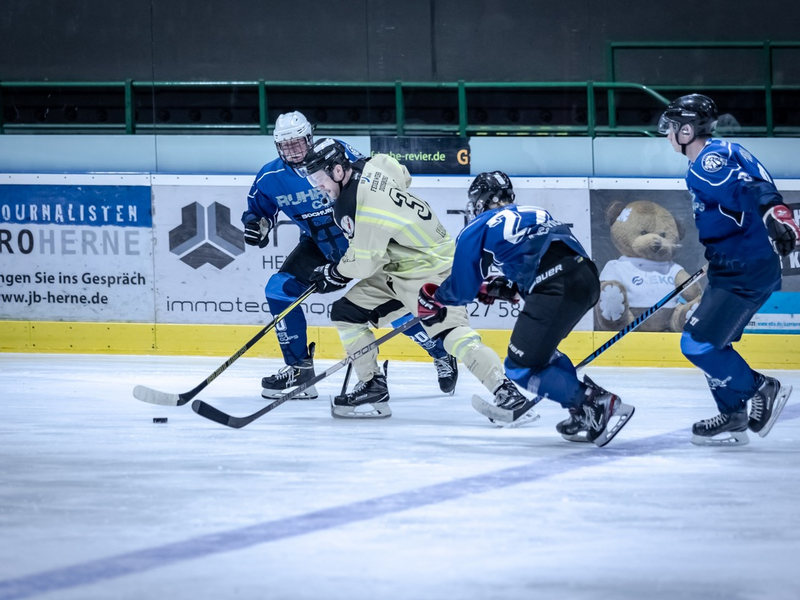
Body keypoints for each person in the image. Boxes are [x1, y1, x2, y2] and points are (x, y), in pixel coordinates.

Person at [300, 138, 523, 419]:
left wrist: (333, 273)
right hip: (399, 267)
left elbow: (364, 263)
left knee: (452, 335)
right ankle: (372, 385)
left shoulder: (363, 207)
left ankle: (506, 392)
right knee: (346, 312)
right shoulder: (374, 165)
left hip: (432, 269)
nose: (317, 185)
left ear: (338, 170)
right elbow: (403, 174)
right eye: (312, 179)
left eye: (319, 178)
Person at [242, 112, 458, 400]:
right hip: (319, 246)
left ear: (310, 138)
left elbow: (370, 181)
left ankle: (440, 352)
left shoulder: (334, 152)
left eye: (298, 144)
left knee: (393, 309)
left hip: (362, 243)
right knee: (279, 290)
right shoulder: (270, 177)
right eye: (286, 146)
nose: (293, 152)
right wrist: (258, 226)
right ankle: (299, 368)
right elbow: (259, 211)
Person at [415, 171, 635, 447]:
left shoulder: (476, 227)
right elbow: (543, 256)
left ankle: (594, 402)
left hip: (555, 286)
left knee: (520, 367)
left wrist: (434, 299)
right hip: (587, 280)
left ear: (480, 202)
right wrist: (502, 287)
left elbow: (461, 289)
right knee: (542, 354)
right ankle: (581, 410)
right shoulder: (536, 212)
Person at [659, 94, 797, 446]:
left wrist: (774, 212)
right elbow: (737, 205)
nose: (668, 133)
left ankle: (761, 388)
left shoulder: (707, 163)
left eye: (673, 127)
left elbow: (749, 189)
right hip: (733, 264)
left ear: (688, 130)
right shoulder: (719, 152)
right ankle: (734, 414)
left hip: (745, 270)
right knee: (713, 343)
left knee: (697, 345)